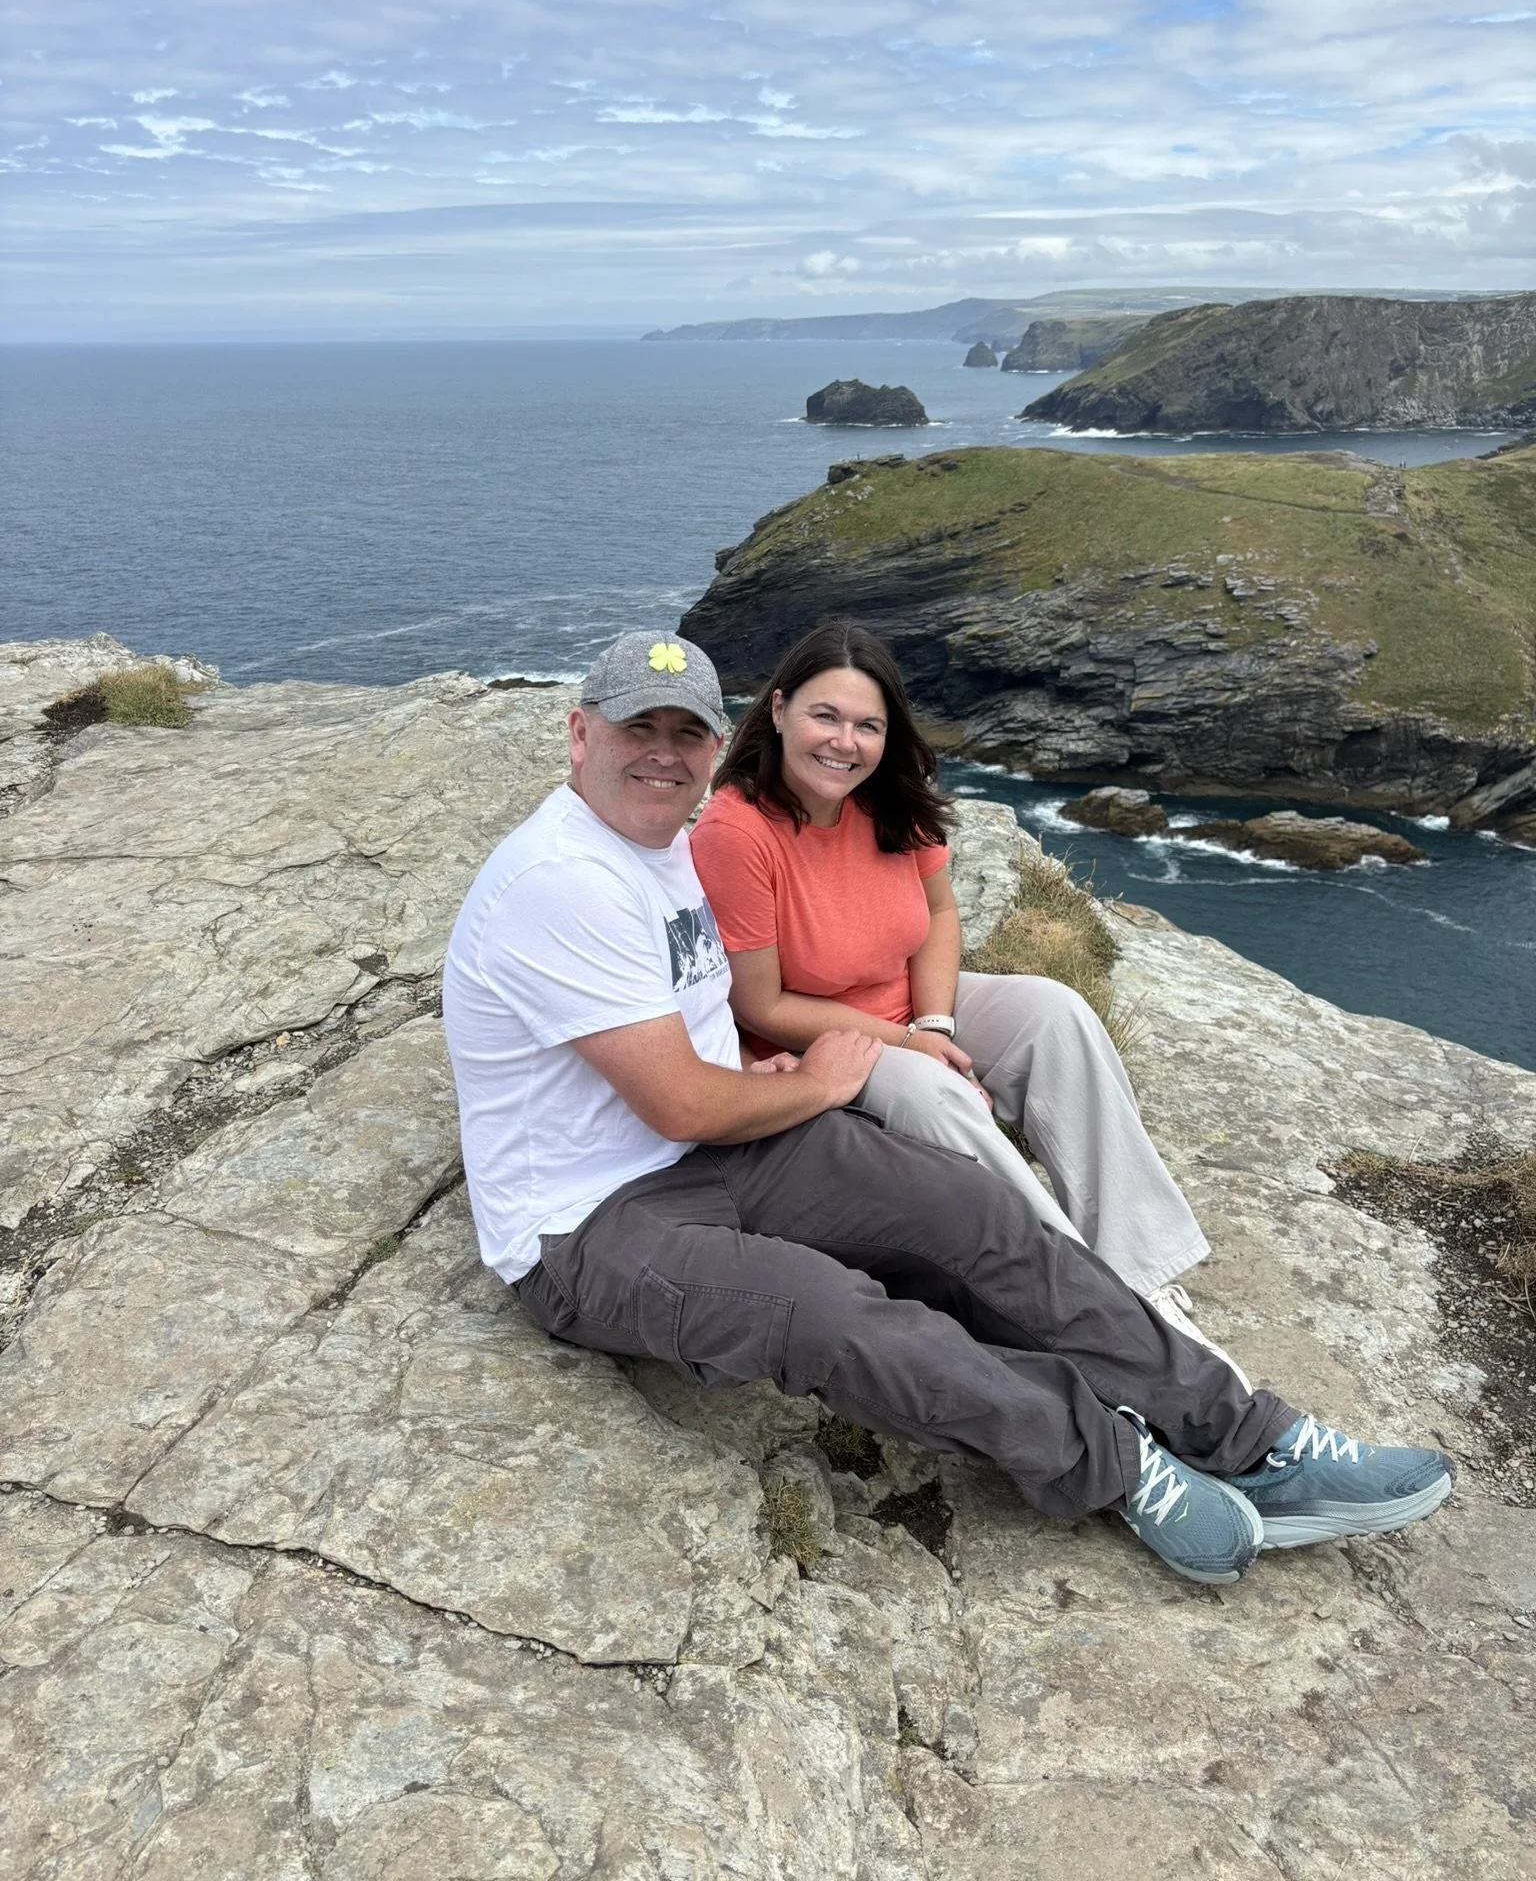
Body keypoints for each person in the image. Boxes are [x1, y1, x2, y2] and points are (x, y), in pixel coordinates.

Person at [442, 630, 1453, 1588]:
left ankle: (1255, 1436)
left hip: (722, 1146)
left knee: (973, 1211)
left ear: (718, 741)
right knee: (828, 1310)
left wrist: (842, 1054)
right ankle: (1112, 1462)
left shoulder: (663, 840)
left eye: (686, 732)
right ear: (580, 733)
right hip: (589, 1224)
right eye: (636, 728)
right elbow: (678, 1098)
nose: (663, 755)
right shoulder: (560, 880)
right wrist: (826, 1080)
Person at [688, 617, 1231, 1361]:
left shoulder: (890, 798)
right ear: (778, 711)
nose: (844, 742)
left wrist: (936, 1025)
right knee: (930, 1091)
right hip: (815, 1040)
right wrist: (912, 1045)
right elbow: (761, 1005)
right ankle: (1086, 1305)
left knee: (1056, 1013)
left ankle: (1137, 1270)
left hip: (910, 1008)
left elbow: (939, 915)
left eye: (867, 725)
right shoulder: (736, 831)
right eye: (825, 716)